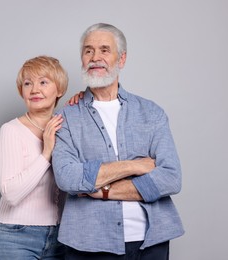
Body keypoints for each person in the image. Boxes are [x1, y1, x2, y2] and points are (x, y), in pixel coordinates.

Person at [52, 23, 184, 259]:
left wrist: (102, 191)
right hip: (88, 242)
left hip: (151, 241)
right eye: (88, 50)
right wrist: (135, 165)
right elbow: (68, 178)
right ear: (82, 58)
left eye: (105, 50)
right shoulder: (67, 118)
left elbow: (171, 178)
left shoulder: (151, 113)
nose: (95, 58)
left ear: (121, 59)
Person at [0, 55, 68, 259]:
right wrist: (46, 153)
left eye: (43, 82)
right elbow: (11, 194)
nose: (34, 90)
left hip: (57, 237)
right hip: (14, 237)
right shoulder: (11, 130)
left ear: (59, 90)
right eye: (27, 83)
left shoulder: (65, 128)